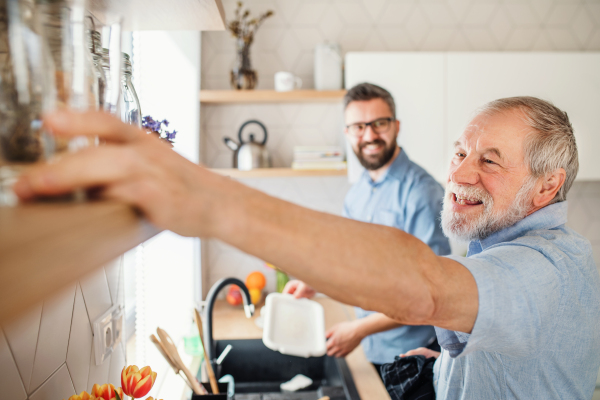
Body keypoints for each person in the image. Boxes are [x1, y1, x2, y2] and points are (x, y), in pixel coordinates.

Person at [14, 95, 600, 399]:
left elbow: (421, 283)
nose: (461, 174)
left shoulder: (548, 268)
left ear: (547, 184)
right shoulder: (505, 249)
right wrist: (452, 366)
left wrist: (208, 201)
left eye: (490, 161)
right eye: (460, 152)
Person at [283, 83, 451, 375]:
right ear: (347, 133)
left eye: (379, 124)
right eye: (359, 127)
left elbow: (430, 292)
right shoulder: (358, 192)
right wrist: (318, 284)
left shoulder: (422, 192)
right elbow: (359, 267)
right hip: (373, 348)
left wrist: (358, 329)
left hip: (413, 356)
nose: (370, 135)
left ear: (396, 126)